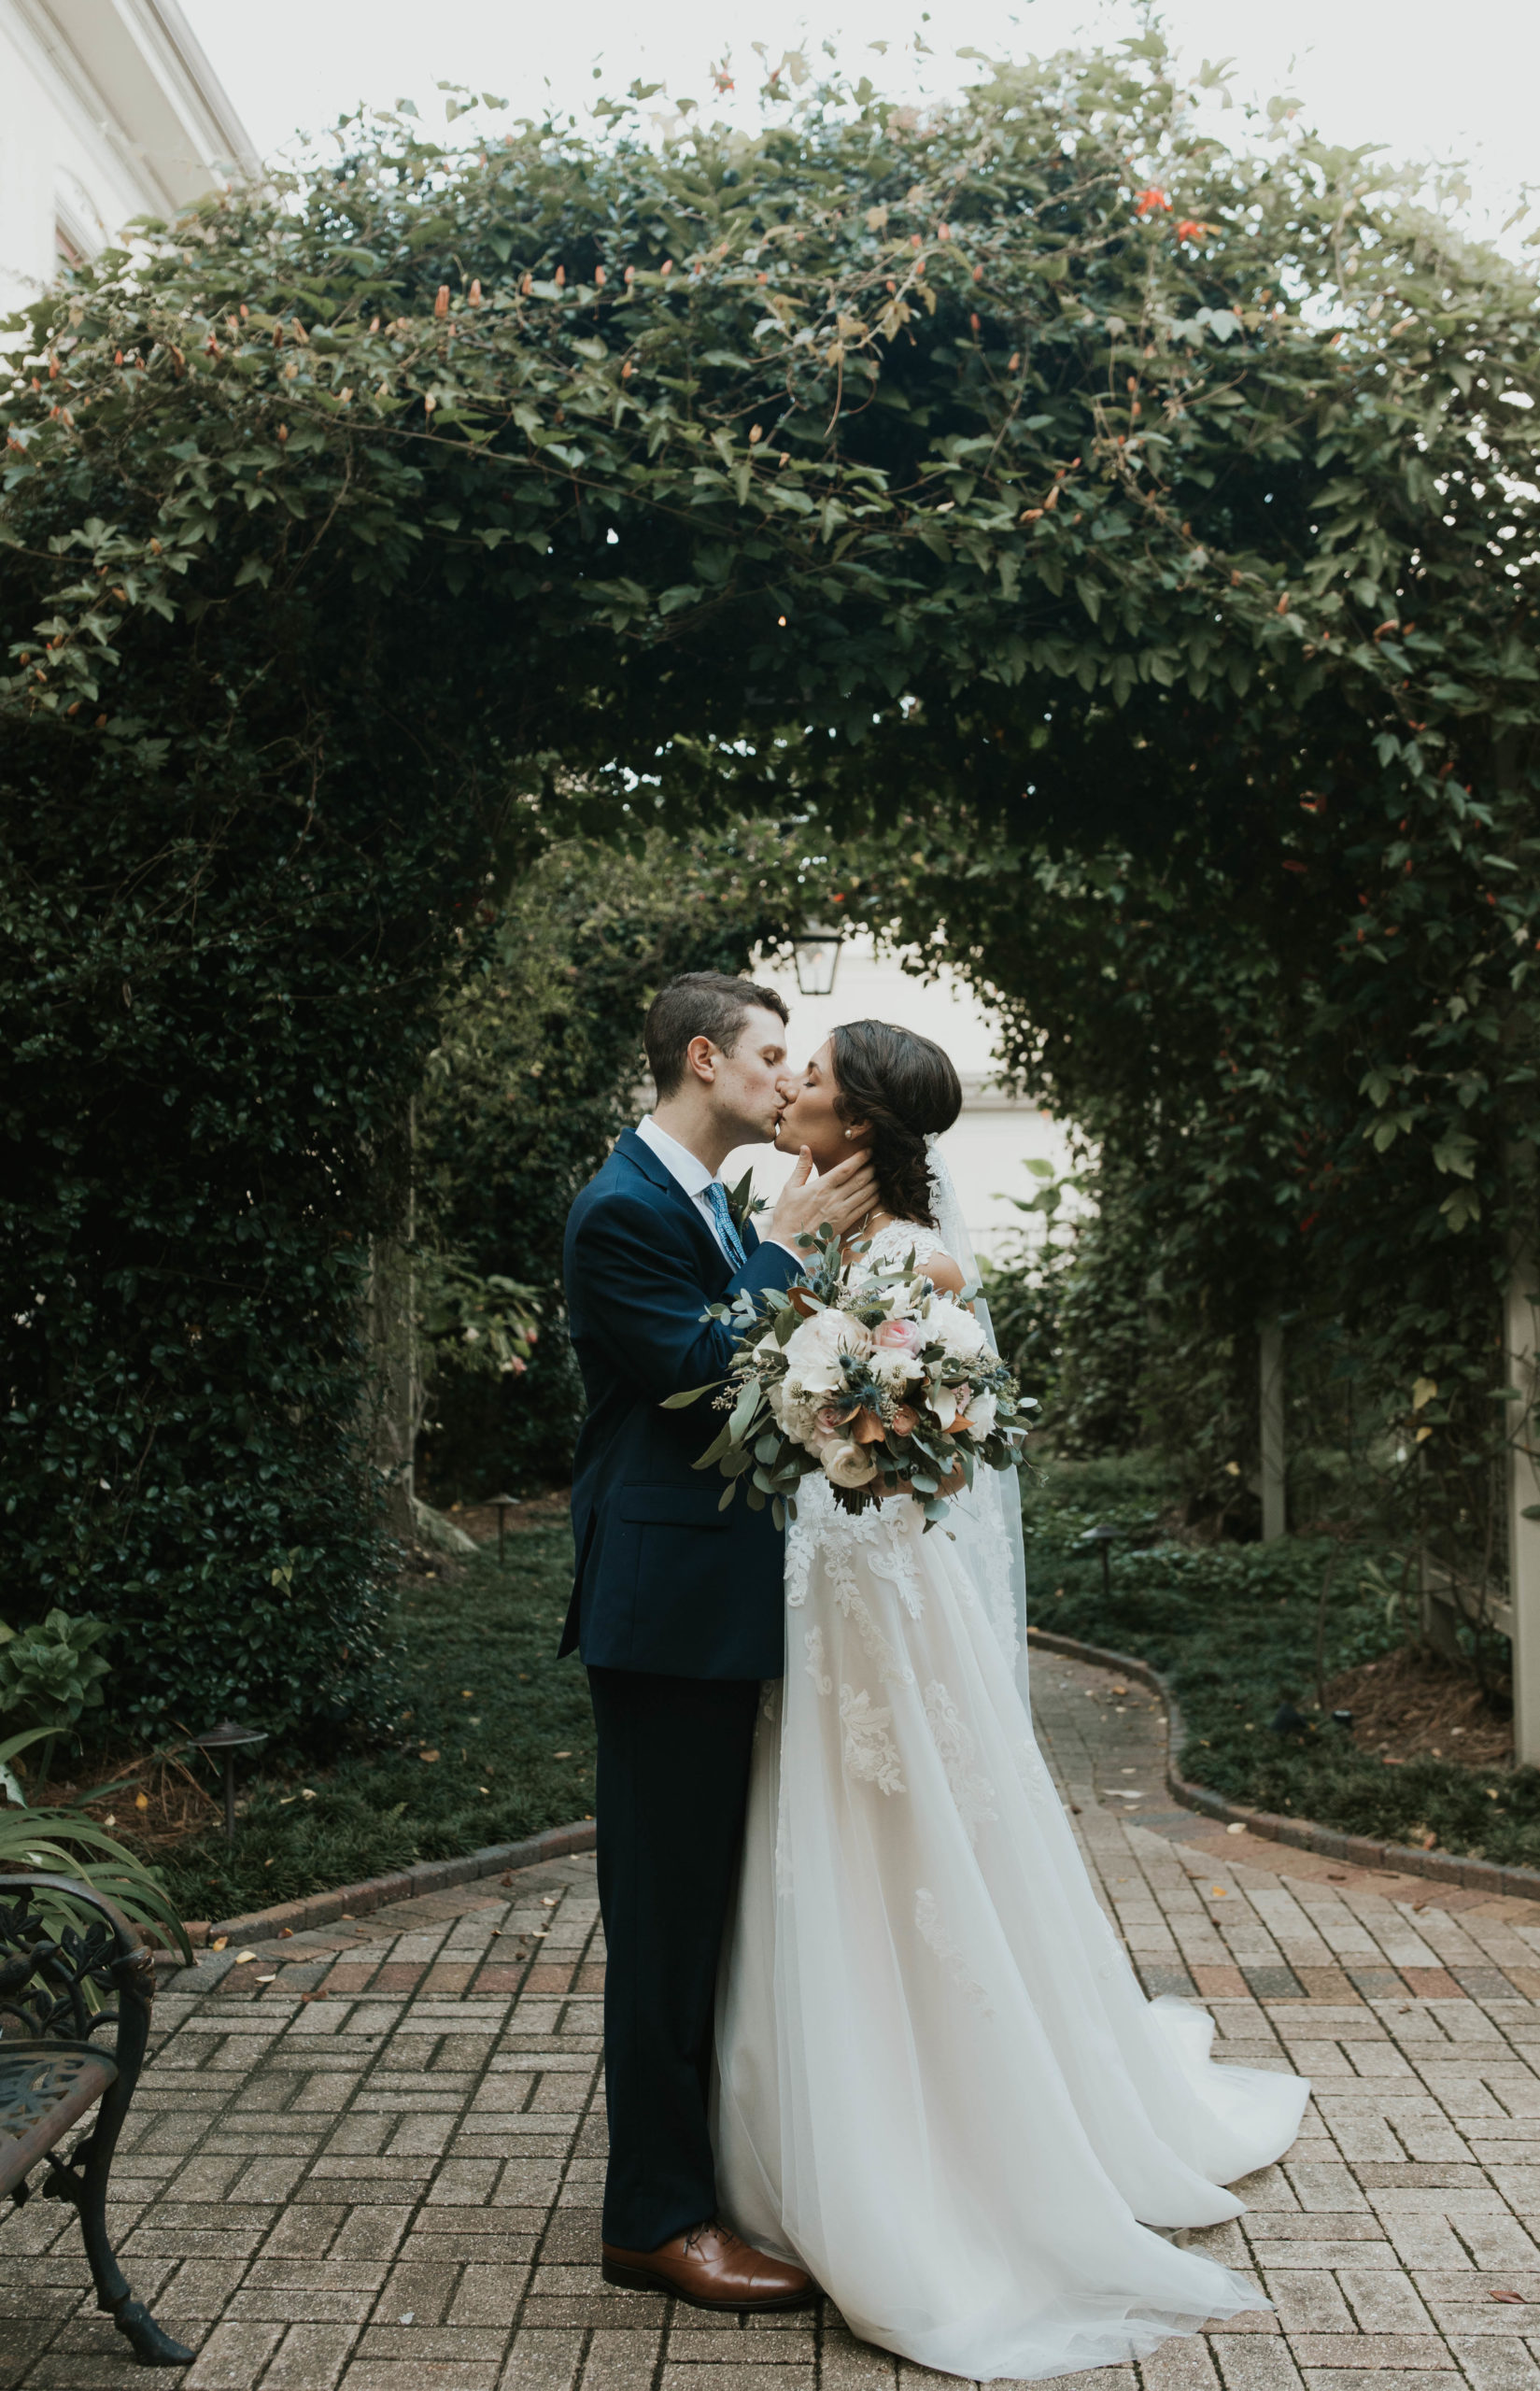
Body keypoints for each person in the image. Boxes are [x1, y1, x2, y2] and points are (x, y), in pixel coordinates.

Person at [713, 1019, 1311, 2382]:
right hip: (813, 1592)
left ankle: (959, 2144)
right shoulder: (795, 1227)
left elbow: (946, 1444)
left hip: (882, 1594)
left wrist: (841, 1426)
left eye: (808, 1078)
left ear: (857, 1121)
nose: (787, 1086)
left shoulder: (919, 1260)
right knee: (811, 1837)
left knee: (914, 1835)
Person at [559, 971, 879, 2312]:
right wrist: (785, 1255)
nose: (787, 1073)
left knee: (705, 1910)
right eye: (770, 1052)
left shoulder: (703, 1198)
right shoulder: (622, 1209)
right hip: (661, 1609)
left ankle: (693, 2181)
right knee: (665, 1915)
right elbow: (701, 1384)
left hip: (719, 1601)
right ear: (705, 1059)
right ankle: (655, 2221)